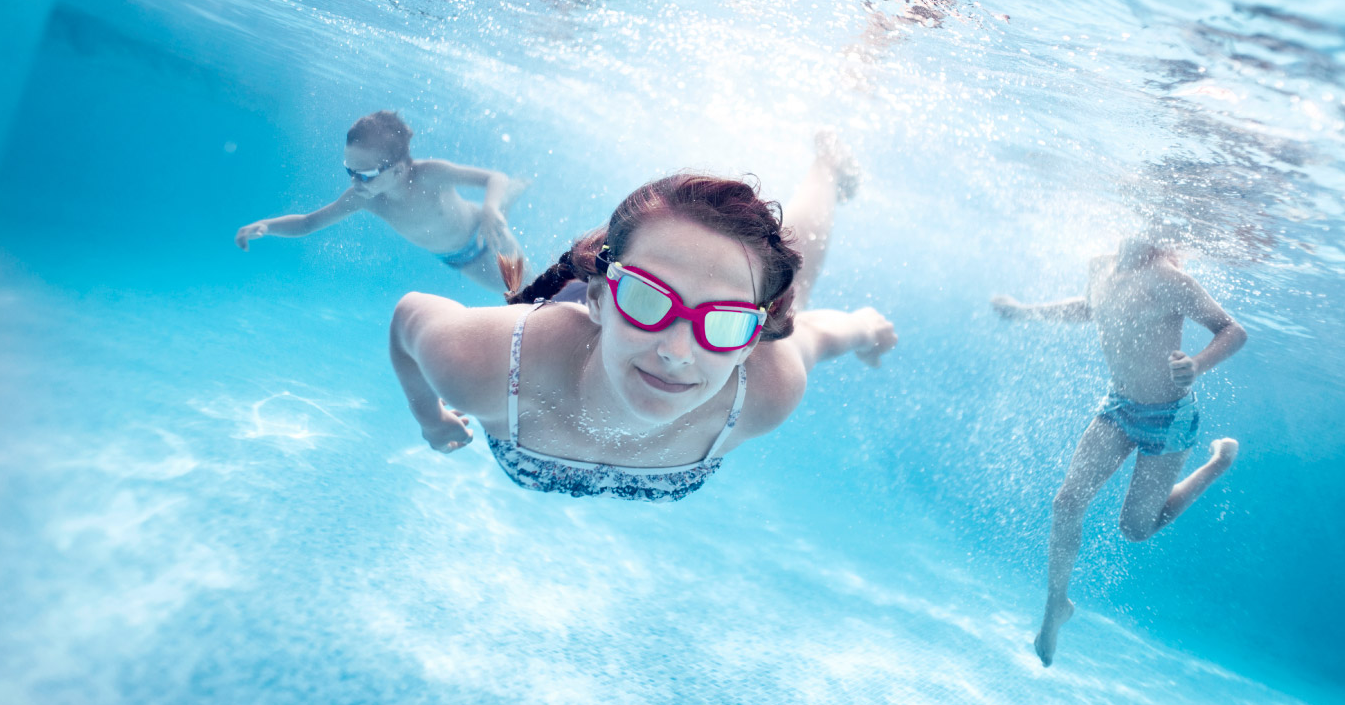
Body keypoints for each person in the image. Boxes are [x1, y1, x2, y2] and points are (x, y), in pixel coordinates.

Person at [388, 131, 895, 502]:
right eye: (649, 299)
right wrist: (428, 418)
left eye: (725, 322)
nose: (676, 352)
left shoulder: (766, 389)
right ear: (598, 299)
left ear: (747, 342)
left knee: (800, 308)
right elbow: (408, 316)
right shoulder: (480, 364)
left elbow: (814, 339)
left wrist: (862, 332)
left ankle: (828, 173)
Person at [991, 227, 1246, 666]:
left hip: (1168, 418)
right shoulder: (1099, 265)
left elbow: (1231, 330)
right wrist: (1024, 312)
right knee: (1067, 502)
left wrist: (1198, 365)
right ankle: (1057, 604)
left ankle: (1217, 464)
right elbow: (1087, 309)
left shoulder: (1166, 278)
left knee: (1135, 529)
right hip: (1119, 405)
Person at [235, 111, 528, 293]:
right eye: (349, 171)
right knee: (518, 297)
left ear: (398, 170)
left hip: (486, 231)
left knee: (538, 285)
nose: (354, 182)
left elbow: (494, 178)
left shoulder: (430, 174)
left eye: (364, 174)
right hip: (461, 259)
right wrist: (267, 226)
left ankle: (504, 204)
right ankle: (503, 207)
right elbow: (309, 222)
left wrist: (490, 209)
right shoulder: (367, 199)